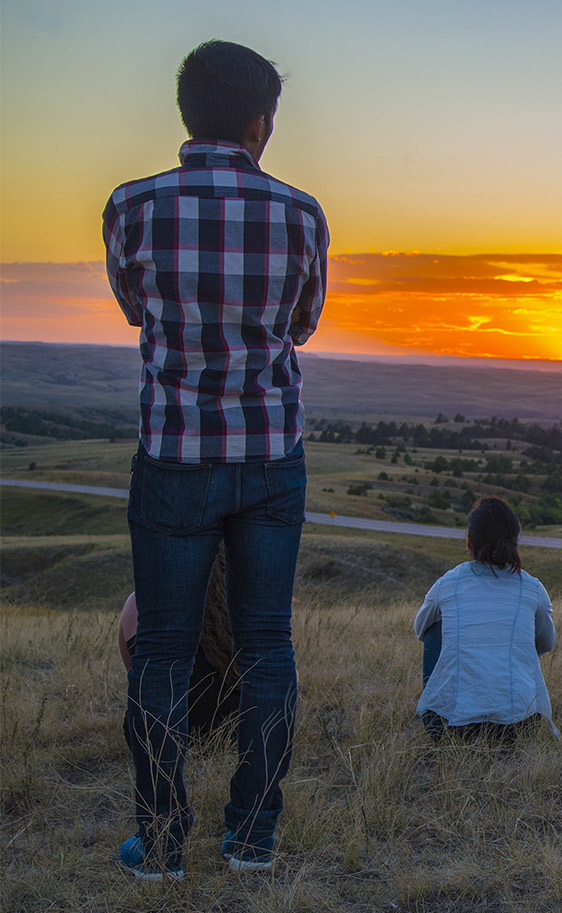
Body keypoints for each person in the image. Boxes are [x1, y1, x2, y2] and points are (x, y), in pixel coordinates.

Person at [104, 39, 329, 880]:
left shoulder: (131, 205)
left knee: (160, 650)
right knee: (269, 647)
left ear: (185, 113)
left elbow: (135, 307)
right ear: (260, 123)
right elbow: (301, 325)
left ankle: (160, 842)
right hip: (272, 451)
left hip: (173, 452)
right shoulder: (300, 213)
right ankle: (252, 837)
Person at [414, 497, 557, 742]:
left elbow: (420, 630)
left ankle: (438, 713)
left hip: (456, 728)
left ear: (469, 540)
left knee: (435, 628)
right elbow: (546, 644)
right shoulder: (532, 588)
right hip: (521, 724)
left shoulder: (448, 584)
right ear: (515, 542)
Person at [118, 550, 241, 739]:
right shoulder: (242, 597)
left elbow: (137, 678)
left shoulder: (138, 601)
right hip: (236, 729)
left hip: (154, 736)